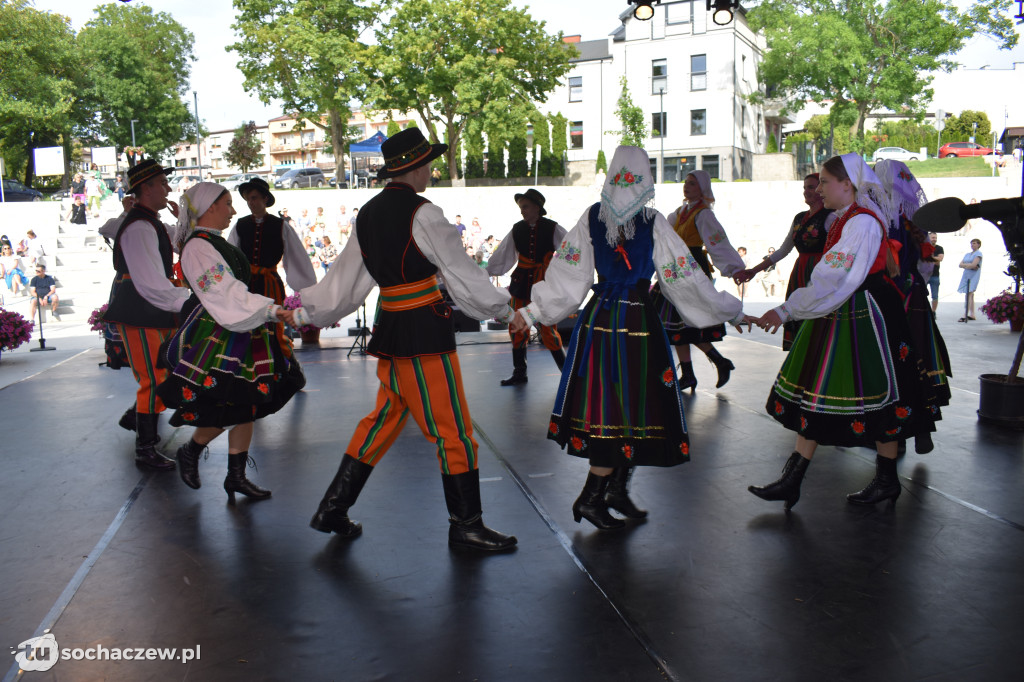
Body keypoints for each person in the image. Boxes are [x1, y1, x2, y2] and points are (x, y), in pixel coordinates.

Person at [285, 127, 517, 552]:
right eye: (428, 163)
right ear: (417, 167)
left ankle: (333, 507)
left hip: (392, 325)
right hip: (423, 330)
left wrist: (304, 312)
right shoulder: (424, 212)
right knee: (454, 430)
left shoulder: (368, 213)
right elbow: (461, 273)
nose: (430, 171)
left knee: (385, 417)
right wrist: (505, 310)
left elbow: (345, 284)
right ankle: (467, 524)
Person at [509, 146, 750, 530]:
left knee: (624, 407)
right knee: (626, 407)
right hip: (637, 319)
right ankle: (591, 498)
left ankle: (616, 489)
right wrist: (730, 310)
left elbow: (570, 278)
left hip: (601, 317)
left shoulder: (592, 217)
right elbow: (683, 279)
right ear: (645, 178)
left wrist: (532, 312)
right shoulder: (652, 221)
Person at [748, 154, 936, 510]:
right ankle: (794, 479)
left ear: (847, 185)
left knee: (881, 397)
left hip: (866, 314)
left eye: (824, 181)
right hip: (844, 308)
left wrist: (787, 308)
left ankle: (885, 481)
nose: (819, 188)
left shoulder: (861, 223)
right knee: (818, 392)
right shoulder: (843, 218)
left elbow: (835, 278)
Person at [158, 183, 304, 501]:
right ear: (210, 207)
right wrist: (271, 309)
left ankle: (235, 475)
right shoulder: (198, 247)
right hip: (220, 329)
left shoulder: (211, 242)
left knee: (246, 403)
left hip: (237, 324)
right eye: (227, 203)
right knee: (229, 403)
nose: (234, 210)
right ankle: (192, 450)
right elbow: (223, 292)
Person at [102, 159, 192, 471]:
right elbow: (151, 283)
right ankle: (145, 448)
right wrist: (188, 300)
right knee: (153, 379)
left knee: (160, 374)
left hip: (149, 309)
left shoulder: (148, 222)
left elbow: (176, 242)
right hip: (141, 310)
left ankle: (136, 419)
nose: (167, 188)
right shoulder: (139, 226)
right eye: (162, 183)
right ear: (146, 188)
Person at [874, 160, 952, 454]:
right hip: (914, 295)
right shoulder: (914, 220)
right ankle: (922, 428)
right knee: (920, 358)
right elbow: (926, 264)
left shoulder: (879, 217)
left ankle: (897, 436)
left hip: (889, 295)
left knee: (892, 362)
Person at [650, 171, 745, 391]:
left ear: (702, 188)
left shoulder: (703, 215)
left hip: (693, 269)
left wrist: (734, 269)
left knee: (686, 323)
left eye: (692, 184)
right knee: (679, 327)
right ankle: (697, 371)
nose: (687, 186)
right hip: (675, 270)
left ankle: (708, 366)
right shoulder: (680, 212)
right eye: (686, 183)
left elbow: (717, 243)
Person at [734, 173, 834, 350]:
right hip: (800, 272)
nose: (806, 192)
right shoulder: (799, 218)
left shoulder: (831, 216)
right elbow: (783, 250)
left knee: (816, 315)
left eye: (811, 187)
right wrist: (754, 270)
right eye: (805, 188)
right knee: (799, 315)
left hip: (820, 271)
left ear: (821, 189)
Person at [486, 189, 568, 385]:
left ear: (537, 207)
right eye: (521, 207)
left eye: (525, 207)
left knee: (547, 327)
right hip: (521, 284)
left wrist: (564, 277)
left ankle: (566, 374)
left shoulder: (553, 228)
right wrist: (486, 272)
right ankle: (520, 373)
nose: (522, 211)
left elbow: (569, 252)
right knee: (516, 325)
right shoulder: (517, 229)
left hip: (543, 286)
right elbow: (504, 254)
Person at [228, 177, 317, 357]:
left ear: (265, 199)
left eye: (254, 198)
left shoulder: (281, 226)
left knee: (272, 324)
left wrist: (305, 287)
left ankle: (276, 364)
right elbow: (230, 254)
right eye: (248, 199)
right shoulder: (240, 225)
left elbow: (296, 256)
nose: (250, 203)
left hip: (270, 284)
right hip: (246, 284)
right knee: (248, 322)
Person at [957, 238, 983, 321]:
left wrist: (967, 265)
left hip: (973, 276)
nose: (973, 245)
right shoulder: (968, 254)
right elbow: (960, 264)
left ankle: (965, 314)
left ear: (978, 244)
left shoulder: (978, 254)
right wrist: (968, 265)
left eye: (974, 243)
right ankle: (972, 314)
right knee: (970, 294)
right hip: (966, 275)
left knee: (969, 293)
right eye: (972, 243)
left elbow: (974, 264)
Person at [919, 232, 944, 313]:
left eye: (935, 237)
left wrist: (929, 258)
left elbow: (939, 259)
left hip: (935, 275)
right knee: (922, 293)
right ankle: (924, 309)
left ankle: (933, 311)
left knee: (935, 295)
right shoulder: (924, 247)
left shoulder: (939, 248)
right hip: (924, 274)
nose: (934, 239)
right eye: (932, 237)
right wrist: (934, 259)